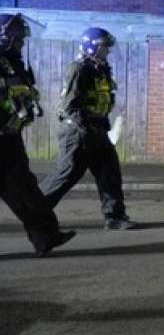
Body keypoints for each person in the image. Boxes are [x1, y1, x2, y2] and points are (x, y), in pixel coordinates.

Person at [39, 28, 135, 230]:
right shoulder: (78, 68)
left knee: (109, 173)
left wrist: (100, 128)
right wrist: (85, 130)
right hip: (77, 132)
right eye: (103, 47)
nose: (107, 51)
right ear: (92, 46)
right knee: (66, 175)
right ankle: (35, 214)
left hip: (98, 129)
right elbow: (68, 106)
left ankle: (115, 217)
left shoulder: (102, 69)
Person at [0, 13, 75, 257]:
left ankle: (46, 237)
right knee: (22, 188)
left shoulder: (12, 62)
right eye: (17, 37)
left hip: (8, 139)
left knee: (25, 189)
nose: (22, 41)